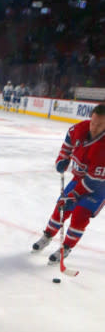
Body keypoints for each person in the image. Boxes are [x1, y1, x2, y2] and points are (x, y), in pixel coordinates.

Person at [32, 103, 105, 264]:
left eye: (99, 125)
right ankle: (47, 236)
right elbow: (68, 140)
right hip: (79, 179)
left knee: (80, 215)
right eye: (93, 122)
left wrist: (74, 195)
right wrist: (62, 158)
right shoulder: (80, 129)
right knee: (61, 207)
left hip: (98, 188)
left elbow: (93, 182)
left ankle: (66, 247)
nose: (94, 127)